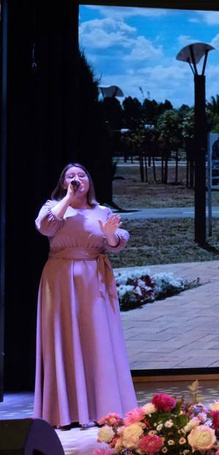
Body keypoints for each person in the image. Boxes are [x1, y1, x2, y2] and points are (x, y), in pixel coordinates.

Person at [34, 163, 137, 427]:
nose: (77, 178)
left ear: (89, 181)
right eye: (71, 176)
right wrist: (68, 198)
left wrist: (110, 236)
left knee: (97, 340)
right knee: (64, 338)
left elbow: (116, 243)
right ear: (63, 183)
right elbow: (45, 227)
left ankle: (104, 408)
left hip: (94, 280)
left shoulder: (101, 211)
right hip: (60, 280)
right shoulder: (53, 207)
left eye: (81, 175)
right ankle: (65, 411)